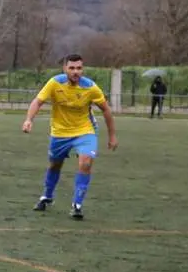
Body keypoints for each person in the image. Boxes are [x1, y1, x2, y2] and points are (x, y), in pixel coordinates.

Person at [22, 54, 118, 220]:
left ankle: (77, 205)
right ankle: (47, 196)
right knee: (54, 165)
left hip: (84, 131)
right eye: (72, 68)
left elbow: (106, 110)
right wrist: (29, 120)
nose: (76, 72)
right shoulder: (54, 83)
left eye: (79, 68)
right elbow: (37, 101)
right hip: (59, 133)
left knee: (86, 162)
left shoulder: (90, 88)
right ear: (65, 68)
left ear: (83, 69)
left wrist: (112, 136)